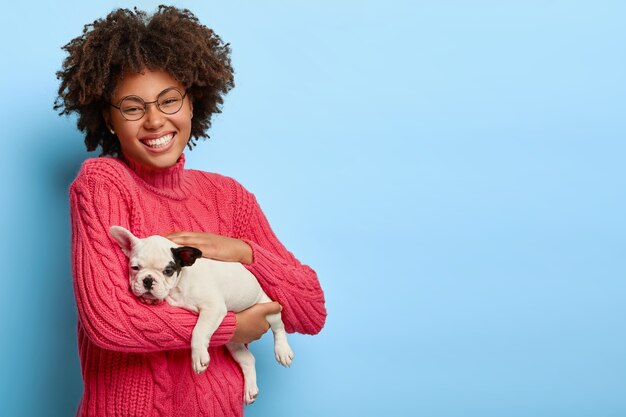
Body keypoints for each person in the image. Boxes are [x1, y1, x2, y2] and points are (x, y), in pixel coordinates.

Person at [55, 6, 326, 417]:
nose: (154, 120)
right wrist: (237, 326)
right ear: (108, 120)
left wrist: (244, 253)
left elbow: (310, 309)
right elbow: (110, 319)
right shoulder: (102, 183)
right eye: (131, 107)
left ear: (193, 102)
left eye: (169, 100)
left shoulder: (229, 197)